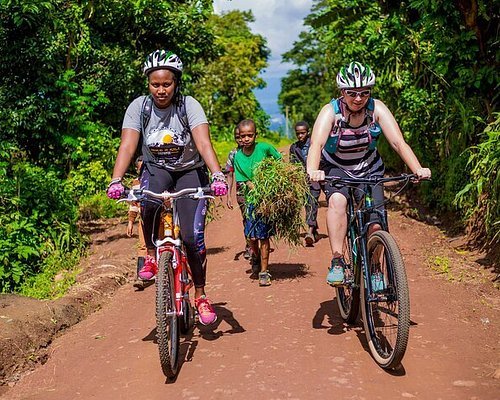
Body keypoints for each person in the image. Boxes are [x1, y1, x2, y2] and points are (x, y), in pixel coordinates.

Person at [106, 50, 227, 325]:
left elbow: (204, 142)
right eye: (155, 84)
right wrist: (116, 180)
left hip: (190, 172)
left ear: (176, 83)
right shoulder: (140, 107)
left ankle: (200, 295)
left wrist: (218, 175)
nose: (161, 90)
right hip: (156, 170)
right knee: (147, 202)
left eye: (167, 84)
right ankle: (150, 254)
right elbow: (127, 145)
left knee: (192, 238)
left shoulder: (189, 105)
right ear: (148, 84)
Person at [306, 61, 431, 286]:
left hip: (369, 167)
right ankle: (337, 261)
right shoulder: (330, 112)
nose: (358, 98)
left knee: (376, 222)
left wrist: (417, 169)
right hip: (337, 167)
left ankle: (374, 267)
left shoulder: (377, 109)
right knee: (336, 201)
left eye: (364, 92)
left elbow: (398, 142)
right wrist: (313, 171)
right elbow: (316, 145)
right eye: (352, 93)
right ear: (342, 92)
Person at [233, 119, 282, 286]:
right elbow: (242, 179)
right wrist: (251, 184)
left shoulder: (265, 148)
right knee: (251, 236)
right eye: (243, 136)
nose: (247, 139)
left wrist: (271, 178)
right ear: (239, 137)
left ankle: (264, 271)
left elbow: (278, 161)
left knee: (264, 236)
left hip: (266, 200)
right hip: (250, 200)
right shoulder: (238, 157)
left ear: (256, 135)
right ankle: (255, 255)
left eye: (250, 135)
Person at [289, 121, 321, 247]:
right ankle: (314, 229)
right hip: (302, 181)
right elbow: (292, 163)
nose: (300, 136)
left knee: (312, 202)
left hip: (315, 179)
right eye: (298, 134)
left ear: (308, 132)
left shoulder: (315, 145)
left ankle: (309, 232)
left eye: (302, 133)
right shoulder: (294, 147)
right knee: (307, 203)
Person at [225, 127, 252, 260]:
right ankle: (249, 245)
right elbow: (229, 174)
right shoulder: (233, 154)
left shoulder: (255, 151)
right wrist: (228, 195)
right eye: (237, 137)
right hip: (242, 193)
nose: (241, 140)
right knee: (247, 218)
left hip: (257, 191)